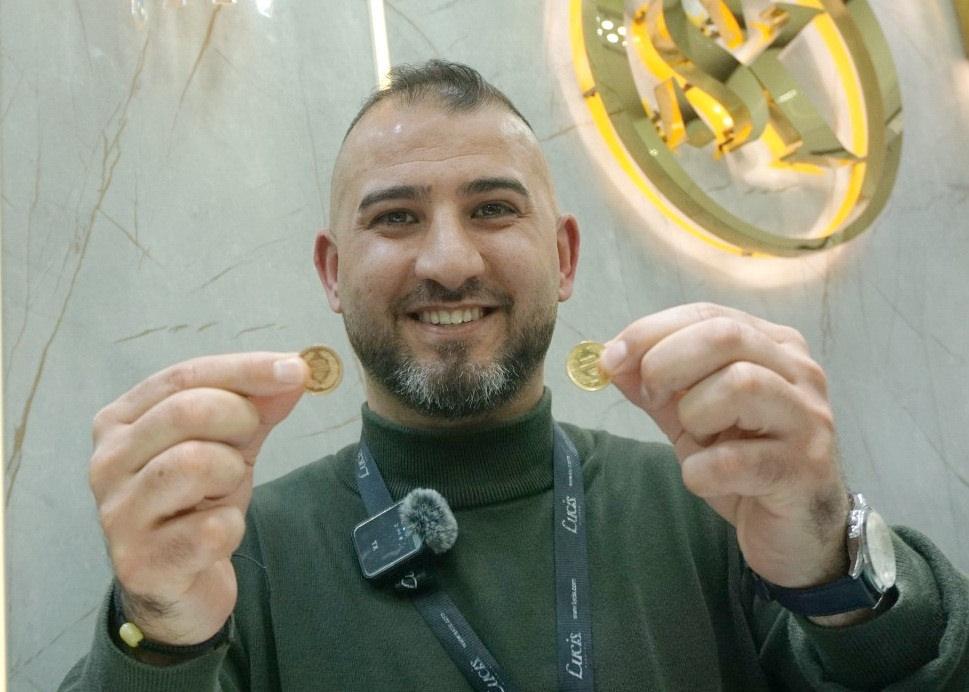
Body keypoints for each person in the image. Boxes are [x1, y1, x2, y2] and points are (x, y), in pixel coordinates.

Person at [61, 60, 968, 691]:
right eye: (396, 218)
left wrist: (832, 563)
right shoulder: (234, 551)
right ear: (333, 274)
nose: (449, 262)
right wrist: (159, 635)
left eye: (493, 208)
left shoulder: (715, 504)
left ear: (563, 257)